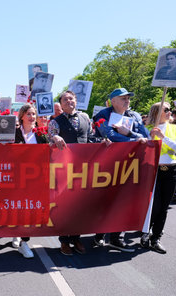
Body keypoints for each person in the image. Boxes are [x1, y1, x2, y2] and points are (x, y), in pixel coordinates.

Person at [48, 90, 106, 256]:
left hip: (83, 169)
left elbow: (90, 138)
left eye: (71, 98)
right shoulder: (55, 122)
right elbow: (50, 136)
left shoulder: (85, 118)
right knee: (64, 206)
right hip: (63, 170)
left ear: (76, 100)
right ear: (61, 103)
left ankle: (76, 237)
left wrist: (103, 142)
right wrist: (55, 138)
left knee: (80, 205)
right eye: (65, 100)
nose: (68, 101)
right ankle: (64, 241)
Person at [93, 88, 149, 252]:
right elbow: (110, 135)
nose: (127, 101)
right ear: (113, 101)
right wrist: (133, 138)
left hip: (130, 163)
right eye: (123, 98)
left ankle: (117, 237)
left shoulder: (135, 115)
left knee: (124, 200)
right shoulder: (103, 115)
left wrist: (129, 133)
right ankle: (99, 233)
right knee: (106, 199)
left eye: (128, 98)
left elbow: (145, 135)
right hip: (107, 164)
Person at [140, 102, 176, 254]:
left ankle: (156, 238)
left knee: (164, 207)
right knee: (154, 205)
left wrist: (163, 137)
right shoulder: (147, 129)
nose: (169, 112)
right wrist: (149, 139)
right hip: (154, 171)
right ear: (156, 112)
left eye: (169, 109)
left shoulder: (175, 128)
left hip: (171, 171)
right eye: (165, 109)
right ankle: (145, 232)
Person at [12, 103, 49, 258]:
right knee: (16, 208)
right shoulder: (14, 132)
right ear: (22, 116)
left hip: (34, 178)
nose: (32, 117)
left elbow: (49, 151)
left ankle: (24, 242)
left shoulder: (40, 134)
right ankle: (15, 232)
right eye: (28, 114)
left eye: (34, 114)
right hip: (15, 177)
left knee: (28, 209)